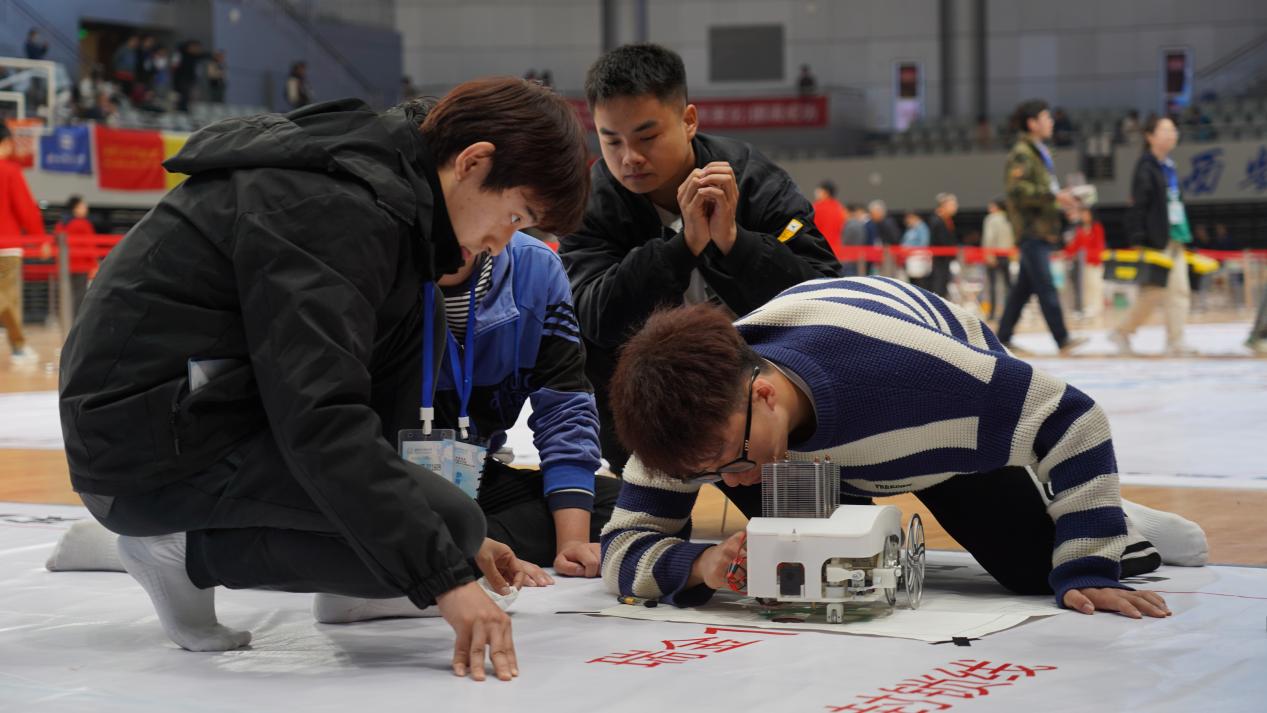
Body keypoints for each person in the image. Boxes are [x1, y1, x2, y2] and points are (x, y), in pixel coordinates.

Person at [58, 77, 590, 682]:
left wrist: (442, 549)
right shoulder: (334, 207)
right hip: (142, 447)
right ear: (473, 162)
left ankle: (362, 572)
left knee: (457, 524)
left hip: (210, 409)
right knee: (444, 532)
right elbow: (319, 415)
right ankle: (178, 552)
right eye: (515, 214)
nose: (504, 240)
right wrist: (443, 576)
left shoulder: (392, 201)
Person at [601, 278, 1210, 618]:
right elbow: (622, 547)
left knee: (1035, 572)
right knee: (809, 584)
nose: (731, 485)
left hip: (922, 426)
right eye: (708, 476)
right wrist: (701, 565)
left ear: (763, 394)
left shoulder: (920, 377)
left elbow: (1073, 419)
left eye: (731, 463)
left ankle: (1105, 511)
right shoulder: (691, 412)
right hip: (809, 450)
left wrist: (1090, 557)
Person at [558, 43, 840, 474]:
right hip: (647, 417)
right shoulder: (590, 202)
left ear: (689, 120)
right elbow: (596, 319)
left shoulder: (753, 180)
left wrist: (734, 243)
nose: (629, 157)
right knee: (639, 536)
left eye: (647, 137)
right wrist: (680, 248)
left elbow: (824, 299)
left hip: (749, 400)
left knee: (807, 526)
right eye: (609, 140)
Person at [995, 99, 1085, 355]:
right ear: (1032, 123)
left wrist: (1060, 198)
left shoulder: (1039, 151)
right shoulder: (1023, 153)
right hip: (1031, 229)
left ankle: (1002, 338)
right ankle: (1063, 339)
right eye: (1046, 118)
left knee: (1023, 289)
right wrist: (1053, 196)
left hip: (1041, 228)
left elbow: (1044, 191)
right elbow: (1017, 190)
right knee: (1045, 286)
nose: (1051, 122)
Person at [1111, 116, 1196, 357]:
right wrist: (1138, 237)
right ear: (1150, 137)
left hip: (1175, 237)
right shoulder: (1146, 166)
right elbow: (1139, 205)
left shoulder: (1169, 166)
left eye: (1173, 129)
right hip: (1154, 239)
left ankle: (1175, 340)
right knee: (1153, 292)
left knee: (1179, 290)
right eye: (1165, 130)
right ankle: (1122, 331)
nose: (1172, 134)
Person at [0, 123, 43, 364]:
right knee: (7, 298)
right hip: (7, 247)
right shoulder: (10, 170)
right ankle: (18, 348)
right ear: (5, 143)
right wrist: (39, 238)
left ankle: (19, 347)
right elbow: (25, 208)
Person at [1065, 205, 1105, 321]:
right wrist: (1067, 253)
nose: (1084, 216)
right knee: (1085, 286)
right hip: (1083, 263)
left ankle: (1097, 308)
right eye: (1082, 214)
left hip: (1094, 261)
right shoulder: (1080, 230)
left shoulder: (1096, 227)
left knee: (1095, 284)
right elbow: (1075, 246)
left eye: (1086, 214)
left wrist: (1090, 255)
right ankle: (1087, 307)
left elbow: (1099, 245)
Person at [981, 195, 1015, 320]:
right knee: (1008, 285)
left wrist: (988, 255)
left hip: (994, 254)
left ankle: (993, 313)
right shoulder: (1009, 218)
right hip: (1006, 254)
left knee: (993, 285)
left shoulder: (991, 219)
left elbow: (989, 237)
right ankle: (1011, 312)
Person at [927, 192, 958, 298]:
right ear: (943, 206)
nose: (955, 208)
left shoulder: (947, 221)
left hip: (946, 258)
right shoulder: (936, 221)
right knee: (938, 283)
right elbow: (939, 240)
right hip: (939, 258)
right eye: (952, 205)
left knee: (944, 282)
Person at [812, 180, 847, 265]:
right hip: (837, 252)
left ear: (825, 192)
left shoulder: (816, 208)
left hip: (819, 251)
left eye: (819, 190)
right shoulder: (840, 208)